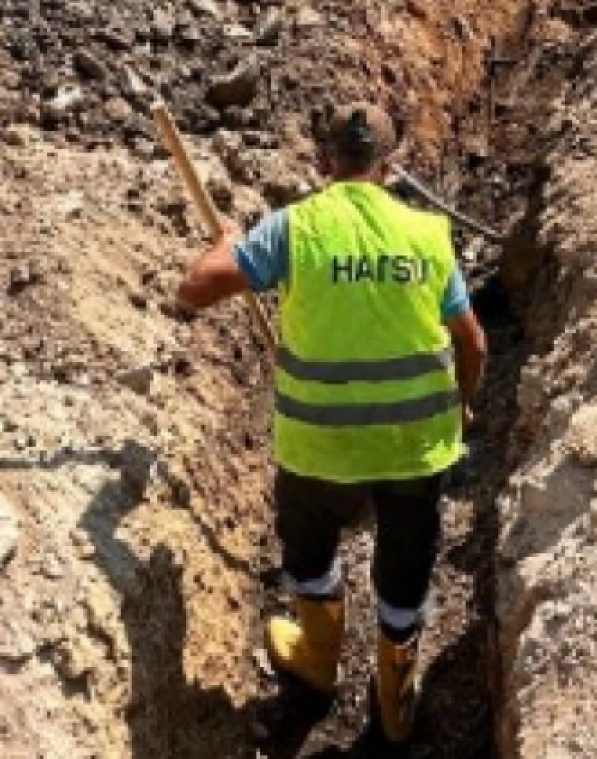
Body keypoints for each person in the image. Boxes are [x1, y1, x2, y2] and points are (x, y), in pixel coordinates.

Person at [175, 103, 489, 745]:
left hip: (320, 450)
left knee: (311, 557)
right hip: (413, 449)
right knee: (404, 575)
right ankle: (395, 705)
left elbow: (196, 289)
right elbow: (474, 343)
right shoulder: (427, 234)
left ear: (324, 164)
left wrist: (227, 243)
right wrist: (464, 400)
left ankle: (315, 670)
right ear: (389, 165)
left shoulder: (295, 229)